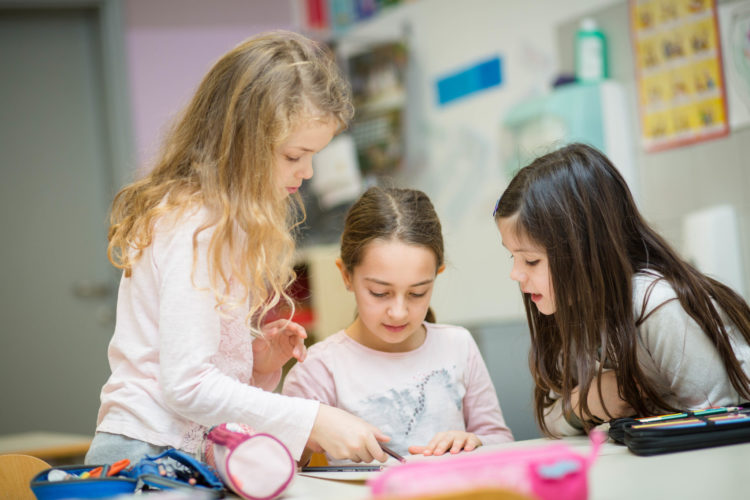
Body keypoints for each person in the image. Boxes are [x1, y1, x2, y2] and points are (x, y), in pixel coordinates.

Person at [85, 31, 392, 466]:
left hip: (184, 451)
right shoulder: (194, 223)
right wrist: (314, 420)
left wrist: (253, 363)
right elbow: (187, 386)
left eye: (312, 156)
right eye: (294, 156)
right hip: (145, 453)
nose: (306, 172)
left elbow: (199, 377)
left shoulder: (223, 223)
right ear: (243, 143)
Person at [492, 142, 750, 437]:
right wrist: (584, 406)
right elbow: (550, 419)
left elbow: (717, 423)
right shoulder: (567, 307)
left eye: (531, 260)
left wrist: (621, 403)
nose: (515, 274)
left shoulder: (658, 304)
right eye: (512, 257)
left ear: (585, 252)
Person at [283, 187, 514, 461]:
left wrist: (475, 441)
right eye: (380, 293)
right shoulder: (319, 368)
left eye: (417, 293)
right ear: (346, 276)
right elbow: (283, 465)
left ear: (436, 276)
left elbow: (502, 442)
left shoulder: (458, 345)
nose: (399, 312)